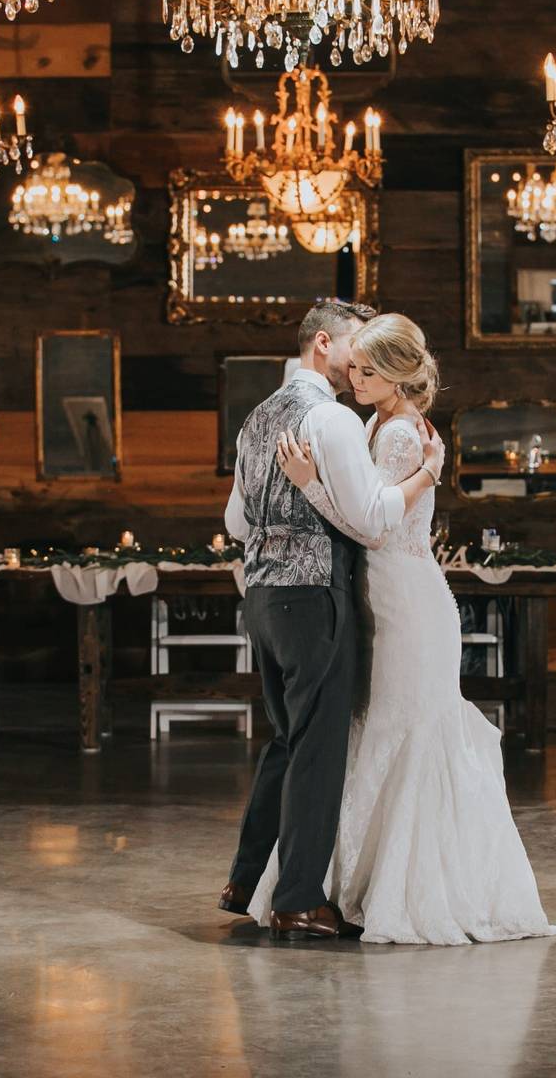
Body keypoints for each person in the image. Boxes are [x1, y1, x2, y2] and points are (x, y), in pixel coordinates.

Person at [256, 312, 556, 945]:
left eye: (366, 371)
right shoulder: (376, 423)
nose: (353, 377)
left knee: (406, 730)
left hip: (408, 603)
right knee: (381, 728)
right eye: (354, 366)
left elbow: (375, 527)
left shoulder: (398, 436)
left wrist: (311, 486)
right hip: (385, 597)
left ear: (394, 375)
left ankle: (408, 889)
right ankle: (357, 886)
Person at [217, 301, 446, 942]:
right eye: (354, 347)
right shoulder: (333, 420)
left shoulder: (258, 417)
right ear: (326, 343)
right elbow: (373, 519)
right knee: (317, 748)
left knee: (287, 740)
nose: (359, 361)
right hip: (312, 596)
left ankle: (246, 879)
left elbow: (237, 522)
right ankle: (296, 898)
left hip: (261, 597)